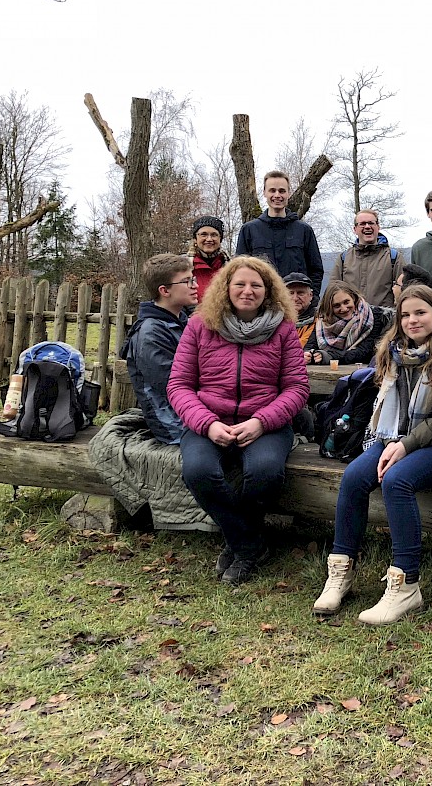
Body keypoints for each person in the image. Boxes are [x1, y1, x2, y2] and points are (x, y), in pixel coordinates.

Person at [313, 286, 432, 624]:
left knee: (397, 480)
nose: (412, 320)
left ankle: (406, 584)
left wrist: (405, 446)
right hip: (393, 436)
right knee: (354, 478)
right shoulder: (392, 351)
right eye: (405, 314)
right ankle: (341, 570)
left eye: (420, 312)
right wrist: (396, 443)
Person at [168, 257, 310, 585]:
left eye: (256, 285)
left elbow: (297, 387)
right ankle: (248, 545)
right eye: (240, 284)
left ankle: (239, 545)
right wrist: (207, 424)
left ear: (269, 290)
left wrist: (261, 421)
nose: (247, 291)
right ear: (225, 288)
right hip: (208, 421)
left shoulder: (284, 329)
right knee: (198, 471)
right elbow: (178, 385)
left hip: (266, 424)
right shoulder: (200, 325)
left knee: (264, 472)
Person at [122, 254, 195, 444]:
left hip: (194, 411)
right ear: (165, 290)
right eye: (187, 281)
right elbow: (172, 387)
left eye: (193, 278)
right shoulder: (150, 334)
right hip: (174, 423)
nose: (195, 285)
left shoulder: (182, 321)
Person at [235, 171, 323, 302]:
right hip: (262, 305)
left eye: (282, 191)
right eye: (272, 190)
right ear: (264, 192)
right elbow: (239, 270)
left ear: (288, 193)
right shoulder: (249, 230)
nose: (277, 195)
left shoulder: (304, 230)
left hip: (296, 306)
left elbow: (316, 270)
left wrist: (311, 299)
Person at [304, 281, 392, 366]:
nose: (344, 308)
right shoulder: (323, 321)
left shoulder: (374, 317)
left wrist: (331, 357)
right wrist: (308, 355)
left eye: (346, 302)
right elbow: (310, 346)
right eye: (337, 306)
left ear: (353, 298)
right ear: (329, 308)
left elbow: (364, 352)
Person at [330, 209, 404, 309]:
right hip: (351, 319)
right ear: (355, 229)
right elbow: (332, 291)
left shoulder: (394, 257)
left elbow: (404, 291)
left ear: (378, 227)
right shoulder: (344, 258)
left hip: (385, 321)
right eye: (362, 224)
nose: (367, 227)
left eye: (371, 223)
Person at [189, 215, 229, 303]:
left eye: (214, 235)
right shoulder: (182, 265)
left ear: (220, 239)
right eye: (204, 234)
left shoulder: (230, 267)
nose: (209, 239)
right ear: (195, 239)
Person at [284, 272, 317, 347]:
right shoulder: (274, 320)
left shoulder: (320, 321)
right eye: (291, 293)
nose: (295, 298)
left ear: (310, 295)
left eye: (300, 293)